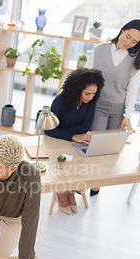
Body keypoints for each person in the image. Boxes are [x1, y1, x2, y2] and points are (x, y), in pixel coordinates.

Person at [86, 19, 140, 196]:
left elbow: (132, 90)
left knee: (110, 151)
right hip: (97, 105)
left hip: (118, 110)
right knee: (95, 147)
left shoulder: (137, 61)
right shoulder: (100, 50)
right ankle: (84, 180)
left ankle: (96, 184)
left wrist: (127, 115)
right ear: (122, 30)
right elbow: (85, 76)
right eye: (127, 36)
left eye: (134, 41)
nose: (128, 42)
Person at [44, 68, 105, 214]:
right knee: (63, 161)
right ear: (77, 89)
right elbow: (49, 130)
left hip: (72, 141)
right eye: (87, 93)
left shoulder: (91, 102)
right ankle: (62, 191)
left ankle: (71, 191)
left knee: (82, 161)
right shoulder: (59, 101)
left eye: (94, 93)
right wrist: (73, 136)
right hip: (55, 142)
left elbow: (85, 126)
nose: (91, 97)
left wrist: (69, 134)